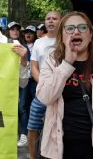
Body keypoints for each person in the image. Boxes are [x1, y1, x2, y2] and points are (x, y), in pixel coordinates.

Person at [36, 11, 93, 158]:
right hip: (61, 146)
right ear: (62, 36)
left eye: (82, 28)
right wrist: (67, 63)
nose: (76, 32)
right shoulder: (52, 61)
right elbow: (45, 97)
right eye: (70, 28)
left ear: (91, 35)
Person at [28, 10, 62, 159]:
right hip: (41, 92)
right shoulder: (38, 42)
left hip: (63, 94)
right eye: (48, 18)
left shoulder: (67, 40)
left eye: (55, 18)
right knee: (33, 127)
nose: (51, 21)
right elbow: (33, 66)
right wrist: (44, 84)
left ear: (61, 21)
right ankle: (33, 156)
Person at [17, 25, 38, 147]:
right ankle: (24, 133)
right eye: (26, 32)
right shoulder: (20, 46)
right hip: (24, 80)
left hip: (36, 81)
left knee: (35, 107)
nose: (28, 34)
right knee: (22, 106)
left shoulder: (38, 45)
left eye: (31, 32)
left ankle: (35, 133)